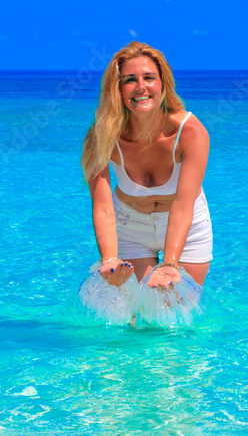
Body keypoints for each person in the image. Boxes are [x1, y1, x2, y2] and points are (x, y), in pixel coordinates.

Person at [81, 41, 213, 291]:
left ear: (163, 83)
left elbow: (183, 205)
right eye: (130, 79)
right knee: (138, 319)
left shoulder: (190, 132)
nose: (141, 87)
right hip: (131, 225)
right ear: (117, 88)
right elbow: (103, 207)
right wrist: (109, 259)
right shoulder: (101, 136)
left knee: (176, 313)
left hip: (187, 225)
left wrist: (169, 264)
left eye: (149, 78)